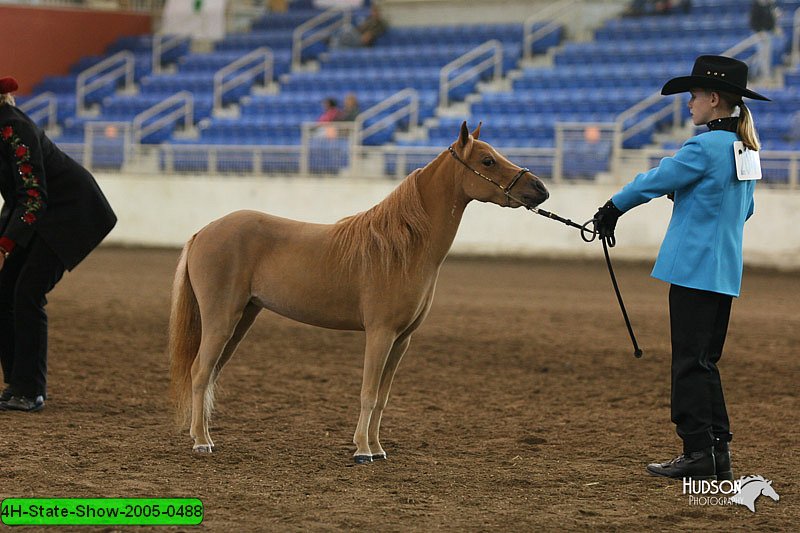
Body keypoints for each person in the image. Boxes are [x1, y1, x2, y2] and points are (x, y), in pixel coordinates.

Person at [592, 56, 769, 481]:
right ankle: (716, 450)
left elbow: (655, 179)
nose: (688, 103)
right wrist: (699, 203)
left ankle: (696, 452)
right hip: (725, 271)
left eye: (693, 96)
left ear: (713, 99)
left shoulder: (703, 147)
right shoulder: (744, 150)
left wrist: (612, 207)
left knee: (689, 363)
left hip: (694, 270)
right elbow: (745, 211)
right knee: (705, 361)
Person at [0, 77, 117, 412]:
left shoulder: (14, 129)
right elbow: (16, 197)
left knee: (27, 292)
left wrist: (5, 245)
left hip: (73, 212)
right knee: (4, 291)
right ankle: (17, 384)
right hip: (42, 212)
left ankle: (30, 390)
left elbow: (33, 195)